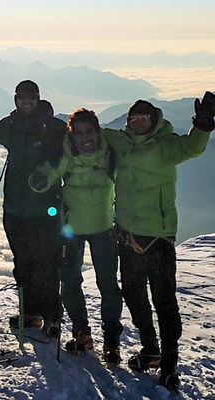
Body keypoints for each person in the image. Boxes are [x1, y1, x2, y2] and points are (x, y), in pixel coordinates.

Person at [102, 93, 215, 391]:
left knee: (164, 301)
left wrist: (202, 126)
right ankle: (150, 348)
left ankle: (169, 364)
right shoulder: (120, 141)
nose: (138, 121)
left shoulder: (166, 146)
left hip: (159, 238)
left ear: (154, 120)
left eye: (144, 117)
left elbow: (191, 147)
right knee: (134, 294)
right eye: (133, 117)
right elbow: (86, 130)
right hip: (127, 235)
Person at [0, 80, 65, 338]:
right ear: (16, 99)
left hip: (45, 210)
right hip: (14, 209)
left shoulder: (54, 128)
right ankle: (31, 314)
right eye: (22, 97)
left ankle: (52, 316)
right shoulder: (10, 126)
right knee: (23, 264)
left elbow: (75, 153)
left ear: (38, 99)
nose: (27, 102)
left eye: (31, 97)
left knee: (46, 265)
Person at [30, 108, 123, 365]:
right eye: (78, 132)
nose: (84, 137)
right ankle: (83, 333)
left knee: (107, 285)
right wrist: (41, 181)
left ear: (98, 131)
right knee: (71, 282)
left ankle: (109, 339)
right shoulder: (67, 153)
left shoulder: (111, 151)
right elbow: (52, 172)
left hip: (103, 228)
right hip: (74, 229)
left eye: (89, 131)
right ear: (71, 134)